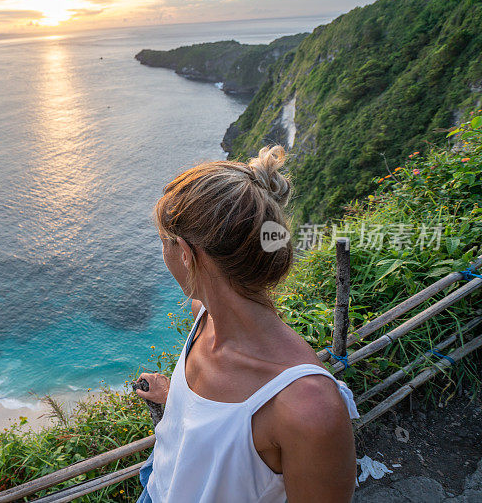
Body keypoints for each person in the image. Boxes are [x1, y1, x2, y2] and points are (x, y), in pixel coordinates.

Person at [134, 145, 359, 503]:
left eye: (164, 242)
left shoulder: (310, 408)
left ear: (185, 254)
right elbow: (223, 429)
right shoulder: (205, 317)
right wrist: (177, 396)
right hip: (157, 487)